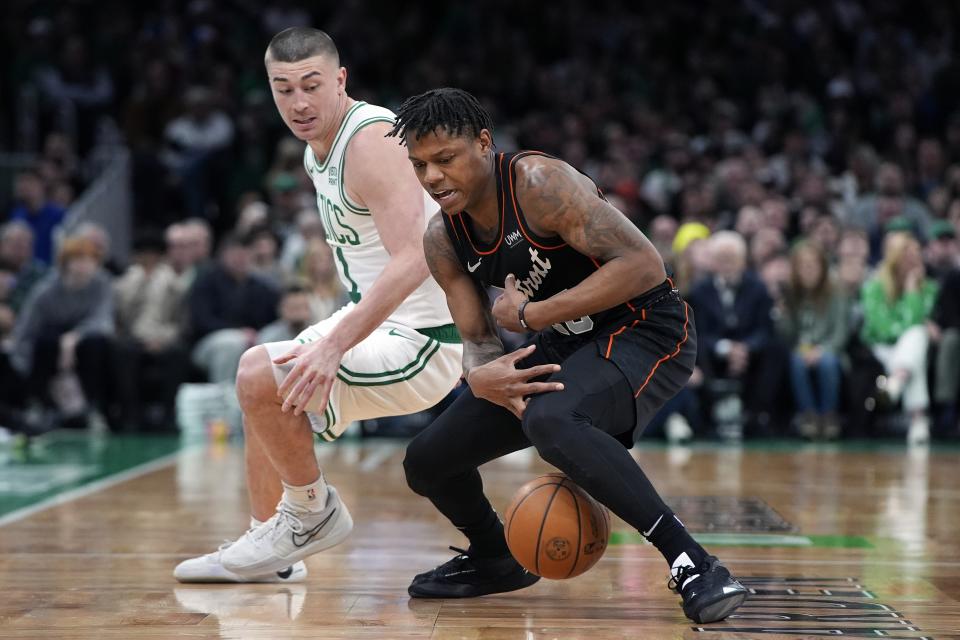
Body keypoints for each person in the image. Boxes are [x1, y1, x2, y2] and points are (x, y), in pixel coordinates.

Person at [388, 88, 747, 624]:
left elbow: (644, 265)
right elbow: (478, 338)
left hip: (646, 327)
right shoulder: (443, 237)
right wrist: (483, 375)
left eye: (445, 159)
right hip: (566, 343)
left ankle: (694, 563)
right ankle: (494, 556)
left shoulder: (537, 183)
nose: (433, 178)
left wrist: (535, 314)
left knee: (552, 418)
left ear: (484, 144)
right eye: (420, 165)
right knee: (427, 461)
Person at [174, 28, 462, 584]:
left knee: (262, 371)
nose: (299, 103)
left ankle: (311, 513)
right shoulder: (316, 150)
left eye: (311, 85)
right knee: (257, 380)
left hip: (426, 339)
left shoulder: (370, 139)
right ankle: (272, 546)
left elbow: (417, 256)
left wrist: (333, 343)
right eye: (283, 90)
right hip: (380, 322)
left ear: (340, 80)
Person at [778, 242, 849, 439]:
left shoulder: (837, 293)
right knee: (796, 361)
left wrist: (822, 350)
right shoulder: (792, 294)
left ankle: (828, 415)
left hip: (830, 349)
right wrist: (783, 314)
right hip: (800, 349)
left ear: (822, 267)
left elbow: (841, 333)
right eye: (803, 266)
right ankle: (808, 416)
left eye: (813, 265)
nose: (808, 270)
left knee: (827, 362)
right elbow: (787, 336)